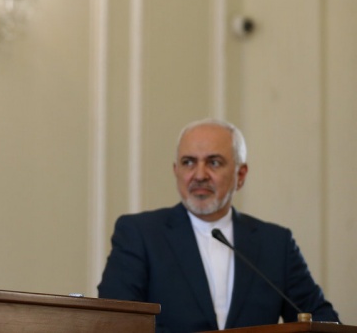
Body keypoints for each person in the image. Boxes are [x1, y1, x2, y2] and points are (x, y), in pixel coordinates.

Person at [97, 119, 339, 332]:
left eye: (213, 163)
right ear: (176, 171)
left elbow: (323, 321)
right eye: (189, 162)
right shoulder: (140, 234)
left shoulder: (275, 243)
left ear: (240, 175)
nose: (199, 175)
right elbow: (116, 323)